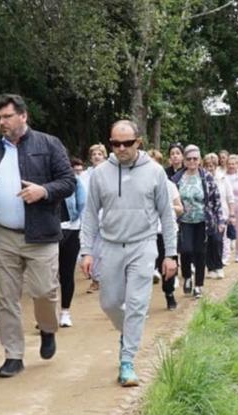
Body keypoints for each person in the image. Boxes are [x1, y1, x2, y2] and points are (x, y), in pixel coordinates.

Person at [0, 94, 75, 378]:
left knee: (44, 292)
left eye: (7, 117)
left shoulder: (49, 144)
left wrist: (44, 191)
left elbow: (68, 182)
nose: (2, 122)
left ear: (23, 116)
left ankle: (48, 329)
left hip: (42, 235)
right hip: (4, 236)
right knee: (6, 298)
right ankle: (13, 355)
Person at [79, 120, 177, 386]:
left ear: (139, 142)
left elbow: (167, 216)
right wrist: (86, 251)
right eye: (115, 143)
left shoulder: (155, 172)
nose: (120, 148)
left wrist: (171, 254)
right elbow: (89, 216)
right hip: (110, 245)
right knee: (109, 303)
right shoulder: (100, 173)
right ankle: (128, 331)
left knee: (136, 304)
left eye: (127, 143)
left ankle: (127, 361)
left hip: (143, 244)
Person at [172, 145, 211, 298]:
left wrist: (219, 220)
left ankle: (198, 286)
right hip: (185, 220)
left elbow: (214, 200)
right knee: (186, 250)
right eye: (189, 159)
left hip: (202, 220)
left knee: (200, 252)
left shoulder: (206, 177)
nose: (192, 161)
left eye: (195, 158)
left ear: (200, 160)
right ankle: (187, 276)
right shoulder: (177, 179)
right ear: (185, 160)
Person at [149, 149, 183, 309]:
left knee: (168, 264)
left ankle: (169, 295)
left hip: (166, 231)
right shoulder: (138, 185)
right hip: (146, 232)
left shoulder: (169, 185)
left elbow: (180, 208)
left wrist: (166, 207)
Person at [58, 157, 87, 327]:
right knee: (47, 276)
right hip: (50, 232)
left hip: (71, 229)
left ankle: (65, 311)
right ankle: (49, 313)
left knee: (66, 273)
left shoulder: (74, 181)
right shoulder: (44, 179)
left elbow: (82, 203)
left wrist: (76, 223)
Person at [85, 143, 107, 293]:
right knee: (93, 249)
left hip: (107, 216)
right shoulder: (85, 175)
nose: (96, 157)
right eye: (94, 155)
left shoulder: (110, 172)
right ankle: (96, 279)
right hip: (90, 216)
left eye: (99, 154)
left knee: (105, 249)